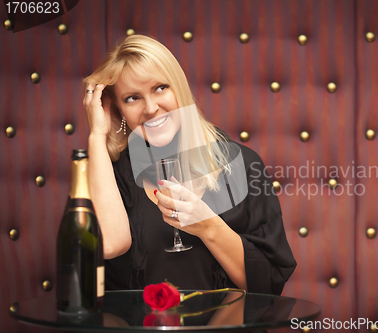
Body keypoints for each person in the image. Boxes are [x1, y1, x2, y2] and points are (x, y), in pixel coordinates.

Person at [82, 34, 296, 296]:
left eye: (161, 88)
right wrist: (97, 135)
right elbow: (111, 245)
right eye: (132, 98)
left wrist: (206, 225)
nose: (151, 108)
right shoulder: (110, 172)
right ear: (117, 108)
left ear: (180, 88)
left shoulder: (241, 165)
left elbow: (269, 283)